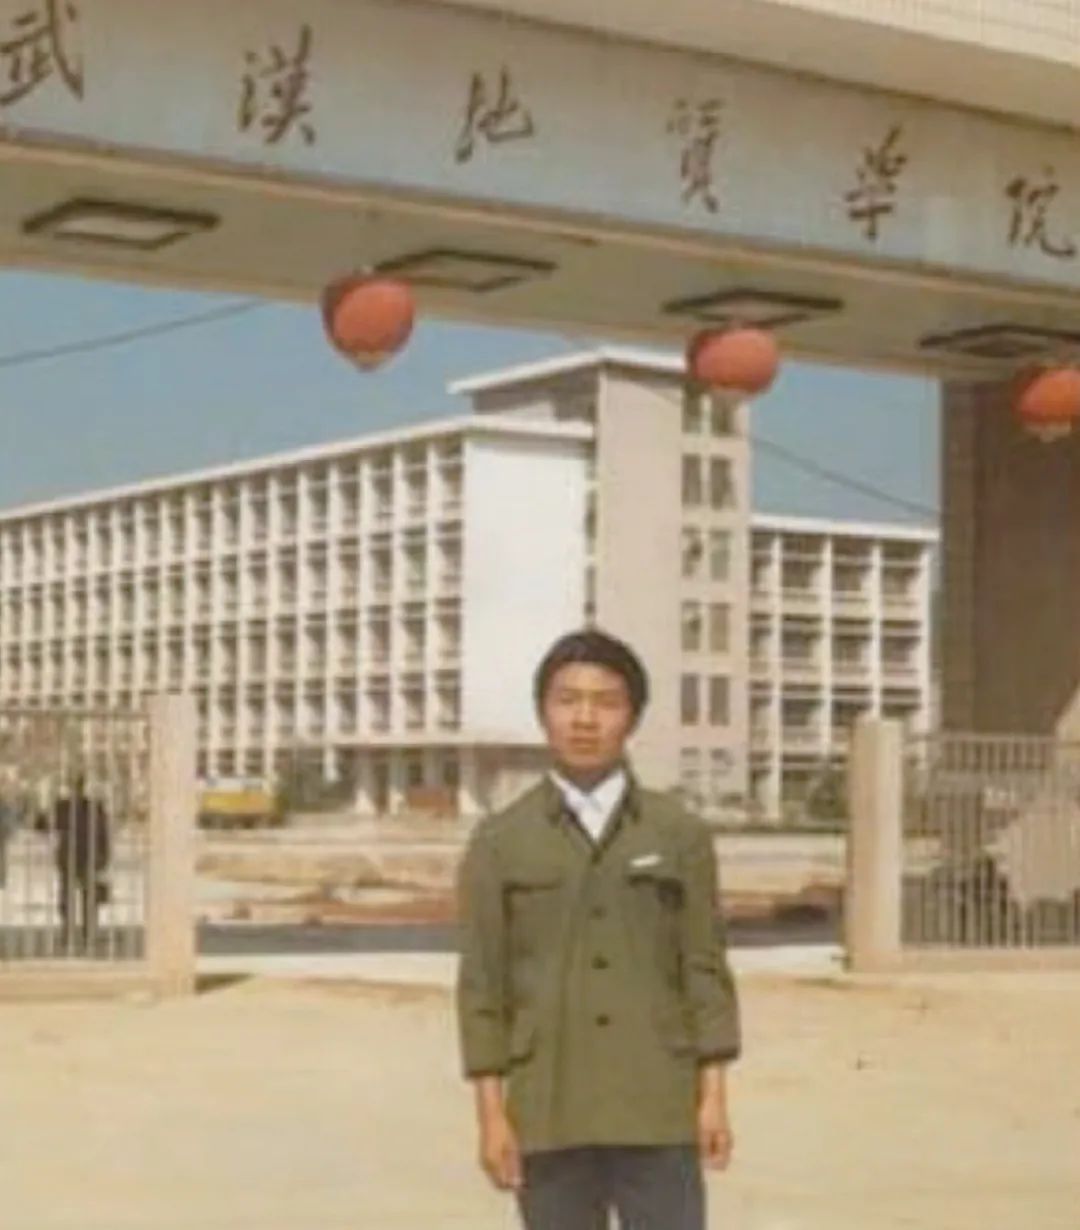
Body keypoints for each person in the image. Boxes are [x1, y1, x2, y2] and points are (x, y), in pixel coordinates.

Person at [456, 628, 740, 1230]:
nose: (585, 719)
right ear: (543, 712)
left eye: (607, 702)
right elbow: (484, 988)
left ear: (632, 717)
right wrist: (491, 1115)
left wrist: (713, 1098)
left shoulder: (678, 833)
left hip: (659, 1105)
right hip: (548, 1109)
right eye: (567, 700)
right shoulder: (500, 841)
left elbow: (704, 968)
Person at [37, 774, 111, 953]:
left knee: (69, 897)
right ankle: (88, 934)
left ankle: (69, 933)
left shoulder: (64, 806)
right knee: (87, 898)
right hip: (88, 856)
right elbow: (104, 833)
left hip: (70, 857)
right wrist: (104, 857)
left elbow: (41, 826)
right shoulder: (93, 807)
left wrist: (44, 803)